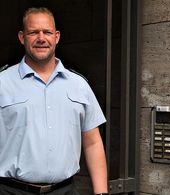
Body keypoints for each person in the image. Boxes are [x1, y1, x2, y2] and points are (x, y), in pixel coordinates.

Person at [0, 7, 108, 195]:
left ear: (56, 37)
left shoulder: (79, 85)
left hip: (65, 190)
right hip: (11, 190)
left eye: (47, 32)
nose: (41, 38)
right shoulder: (2, 82)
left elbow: (92, 143)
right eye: (33, 32)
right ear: (21, 37)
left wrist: (101, 193)